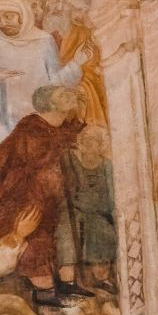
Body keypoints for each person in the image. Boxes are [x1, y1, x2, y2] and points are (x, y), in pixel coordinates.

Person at [0, 85, 86, 305]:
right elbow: (38, 158)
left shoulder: (58, 125)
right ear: (49, 104)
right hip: (18, 195)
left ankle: (66, 285)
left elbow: (68, 134)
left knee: (64, 227)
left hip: (45, 197)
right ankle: (45, 292)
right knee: (35, 232)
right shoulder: (32, 127)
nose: (69, 95)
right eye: (62, 95)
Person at [0, 0, 69, 151]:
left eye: (8, 16)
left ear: (22, 15)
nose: (3, 23)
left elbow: (55, 79)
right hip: (6, 110)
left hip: (38, 109)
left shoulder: (44, 40)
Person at [58, 125, 117, 292]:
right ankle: (68, 282)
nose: (89, 146)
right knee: (66, 231)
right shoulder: (71, 161)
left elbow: (111, 198)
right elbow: (65, 191)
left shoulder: (107, 166)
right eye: (86, 142)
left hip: (98, 212)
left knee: (102, 230)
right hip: (72, 210)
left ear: (101, 146)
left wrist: (99, 207)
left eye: (95, 142)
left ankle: (101, 278)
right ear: (80, 143)